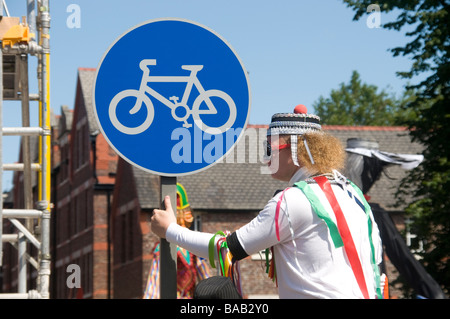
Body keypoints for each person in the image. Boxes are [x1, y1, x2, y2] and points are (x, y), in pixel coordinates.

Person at [151, 105, 385, 299]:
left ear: (296, 149)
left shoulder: (294, 200)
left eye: (269, 148)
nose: (265, 159)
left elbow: (226, 249)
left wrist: (170, 229)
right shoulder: (354, 195)